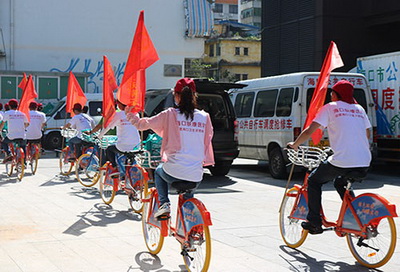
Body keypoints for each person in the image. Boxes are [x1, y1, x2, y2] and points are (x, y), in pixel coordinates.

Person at [287, 80, 372, 234]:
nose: (331, 95)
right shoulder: (359, 109)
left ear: (336, 94)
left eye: (332, 93)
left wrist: (295, 144)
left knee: (313, 181)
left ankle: (314, 222)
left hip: (342, 161)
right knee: (340, 182)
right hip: (364, 160)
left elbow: (309, 131)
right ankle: (354, 216)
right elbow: (367, 134)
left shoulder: (330, 108)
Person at [126, 78, 214, 217]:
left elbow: (141, 125)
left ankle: (164, 203)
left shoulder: (169, 114)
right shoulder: (205, 117)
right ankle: (189, 228)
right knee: (188, 197)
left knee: (159, 171)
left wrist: (130, 114)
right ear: (194, 95)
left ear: (176, 96)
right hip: (196, 174)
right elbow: (207, 138)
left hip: (174, 171)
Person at [98, 100, 140, 176]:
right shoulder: (136, 114)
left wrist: (99, 136)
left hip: (123, 145)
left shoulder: (118, 115)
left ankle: (115, 168)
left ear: (120, 105)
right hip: (137, 144)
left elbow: (107, 127)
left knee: (109, 149)